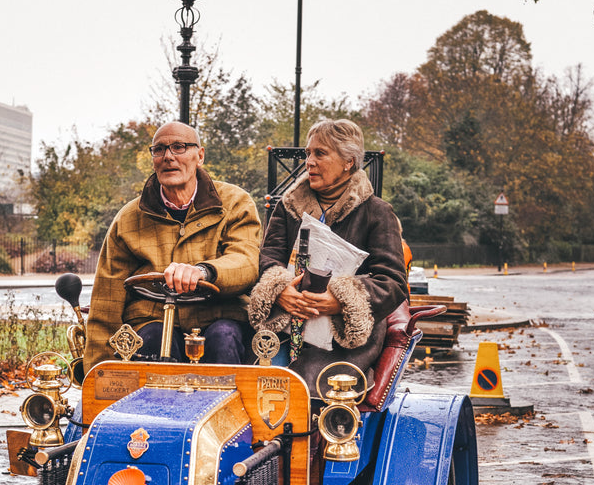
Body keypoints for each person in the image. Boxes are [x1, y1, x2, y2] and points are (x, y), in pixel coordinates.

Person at [83, 121, 261, 368]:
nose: (168, 156)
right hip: (150, 320)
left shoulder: (235, 203)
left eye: (179, 147)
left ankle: (227, 407)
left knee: (223, 337)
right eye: (159, 149)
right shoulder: (128, 218)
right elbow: (106, 301)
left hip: (219, 316)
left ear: (200, 156)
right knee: (152, 339)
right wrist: (98, 373)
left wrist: (203, 271)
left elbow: (246, 262)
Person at [248, 118, 408, 390]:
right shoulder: (287, 207)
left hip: (343, 341)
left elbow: (392, 283)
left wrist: (340, 300)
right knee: (257, 384)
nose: (309, 161)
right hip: (283, 328)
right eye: (308, 153)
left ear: (348, 161)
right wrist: (280, 289)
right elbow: (268, 260)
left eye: (320, 153)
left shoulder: (378, 212)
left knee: (313, 390)